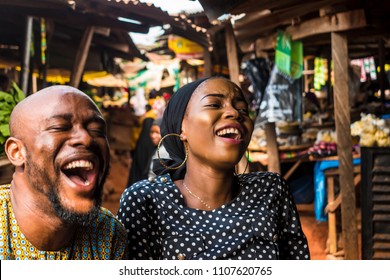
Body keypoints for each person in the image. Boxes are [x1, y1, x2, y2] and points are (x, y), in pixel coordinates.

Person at [117, 76, 310, 260]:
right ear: (181, 127)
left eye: (243, 109)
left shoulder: (270, 190)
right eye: (214, 104)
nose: (234, 113)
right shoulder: (145, 201)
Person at [0, 85, 128, 260]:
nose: (86, 138)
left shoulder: (109, 234)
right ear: (17, 152)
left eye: (97, 130)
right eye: (59, 127)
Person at [127, 117, 162, 186]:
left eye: (157, 132)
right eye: (151, 132)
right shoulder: (156, 149)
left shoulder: (161, 151)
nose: (153, 136)